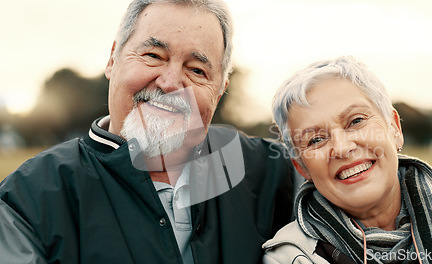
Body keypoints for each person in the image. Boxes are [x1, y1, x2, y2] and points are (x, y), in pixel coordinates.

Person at [0, 1, 297, 263]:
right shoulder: (28, 200)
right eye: (153, 55)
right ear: (113, 59)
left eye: (197, 70)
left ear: (219, 92)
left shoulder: (271, 171)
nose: (169, 83)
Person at [262, 56, 432, 264]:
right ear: (301, 167)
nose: (342, 148)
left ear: (395, 128)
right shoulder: (290, 258)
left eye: (356, 121)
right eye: (315, 140)